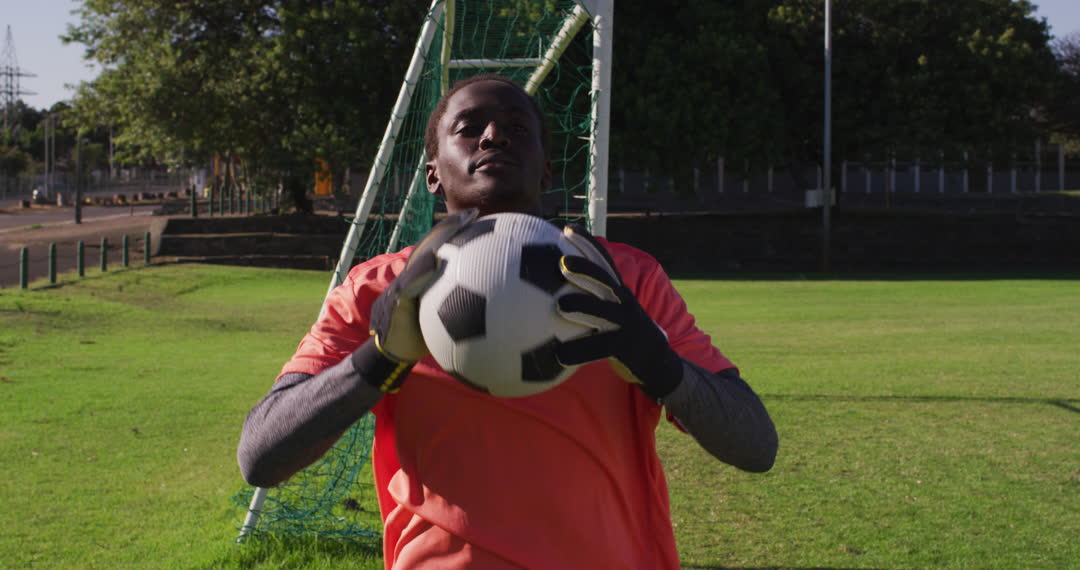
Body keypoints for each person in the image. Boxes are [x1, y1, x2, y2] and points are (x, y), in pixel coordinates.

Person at [238, 74, 778, 569]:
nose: (495, 135)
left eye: (518, 129)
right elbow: (261, 456)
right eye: (469, 128)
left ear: (547, 168)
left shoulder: (626, 279)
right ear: (431, 172)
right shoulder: (377, 289)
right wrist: (380, 359)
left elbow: (755, 445)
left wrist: (657, 364)